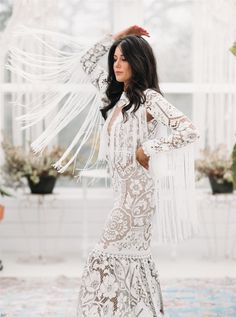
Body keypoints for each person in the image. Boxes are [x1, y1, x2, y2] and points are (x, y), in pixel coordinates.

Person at [76, 25, 200, 317]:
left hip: (138, 199)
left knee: (102, 257)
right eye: (115, 58)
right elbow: (85, 61)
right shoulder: (116, 98)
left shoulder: (149, 99)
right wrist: (117, 36)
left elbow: (189, 130)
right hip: (123, 196)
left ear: (138, 62)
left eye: (124, 58)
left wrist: (149, 149)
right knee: (122, 260)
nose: (117, 64)